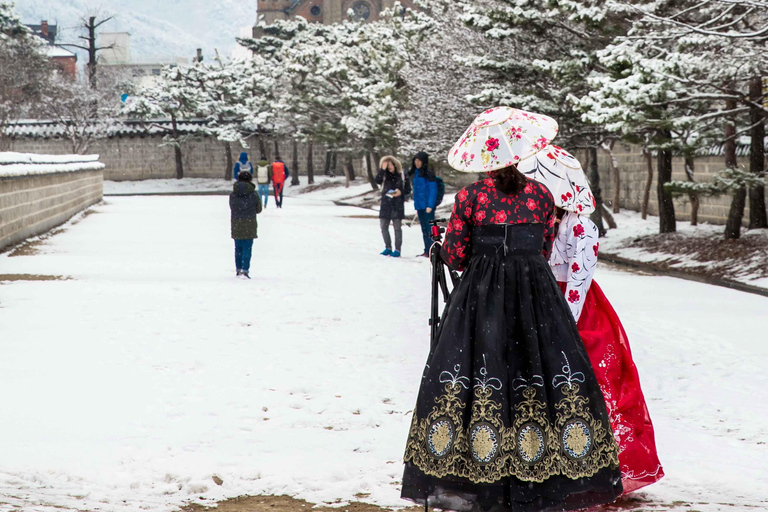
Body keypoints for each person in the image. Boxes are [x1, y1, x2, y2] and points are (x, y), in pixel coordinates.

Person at [402, 107, 622, 512]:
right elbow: (543, 247)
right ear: (520, 152)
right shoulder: (542, 195)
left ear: (484, 160)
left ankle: (476, 470)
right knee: (535, 371)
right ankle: (539, 471)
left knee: (479, 370)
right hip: (535, 294)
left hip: (482, 295)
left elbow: (456, 254)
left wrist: (461, 254)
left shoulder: (470, 195)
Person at [550, 208, 664, 494]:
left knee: (594, 381)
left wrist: (566, 318)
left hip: (575, 306)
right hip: (543, 296)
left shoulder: (580, 225)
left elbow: (580, 276)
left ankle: (602, 467)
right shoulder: (540, 220)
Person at [229, 171, 262, 278]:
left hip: (236, 222)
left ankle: (238, 269)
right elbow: (259, 209)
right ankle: (245, 269)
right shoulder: (253, 194)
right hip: (249, 222)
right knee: (247, 248)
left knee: (238, 248)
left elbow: (232, 207)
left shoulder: (233, 194)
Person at [408, 151, 438, 257]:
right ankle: (427, 250)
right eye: (415, 160)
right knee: (424, 229)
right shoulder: (416, 173)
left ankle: (433, 251)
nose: (417, 162)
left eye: (419, 160)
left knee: (430, 229)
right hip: (420, 206)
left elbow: (433, 190)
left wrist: (430, 205)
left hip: (427, 207)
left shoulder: (429, 174)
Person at [375, 156, 405, 257]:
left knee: (397, 228)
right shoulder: (383, 176)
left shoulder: (401, 175)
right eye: (387, 164)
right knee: (384, 227)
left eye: (391, 164)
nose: (389, 166)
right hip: (385, 204)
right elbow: (377, 180)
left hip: (397, 205)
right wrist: (382, 169)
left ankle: (397, 249)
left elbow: (408, 189)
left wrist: (400, 192)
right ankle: (388, 247)